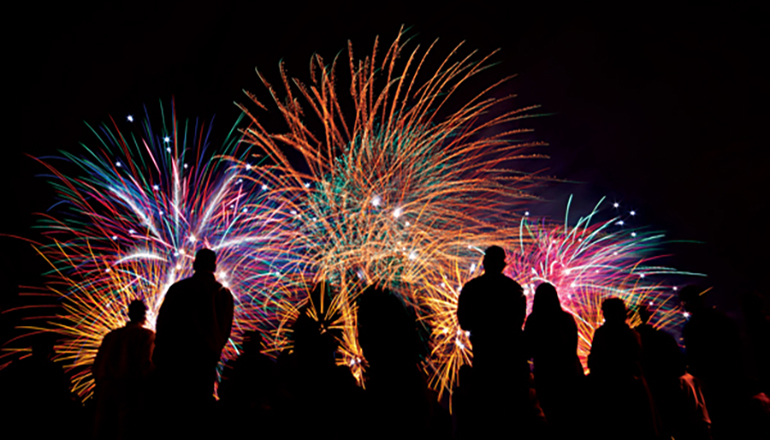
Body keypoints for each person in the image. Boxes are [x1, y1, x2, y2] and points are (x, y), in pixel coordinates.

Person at [152, 248, 234, 435]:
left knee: (175, 411)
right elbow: (225, 329)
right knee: (200, 409)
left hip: (175, 359)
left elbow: (163, 323)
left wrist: (161, 351)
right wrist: (214, 348)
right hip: (206, 359)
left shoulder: (178, 289)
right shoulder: (223, 294)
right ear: (214, 266)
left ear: (195, 264)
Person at [457, 245, 530, 438]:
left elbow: (464, 322)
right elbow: (518, 323)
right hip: (509, 361)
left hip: (483, 357)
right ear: (503, 265)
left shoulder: (471, 289)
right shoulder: (515, 289)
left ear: (484, 263)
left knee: (485, 412)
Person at [588, 297, 658, 440]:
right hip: (631, 389)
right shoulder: (631, 335)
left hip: (608, 391)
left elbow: (594, 362)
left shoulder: (601, 334)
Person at [524, 282, 584, 437]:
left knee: (552, 416)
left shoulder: (533, 321)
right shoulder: (566, 319)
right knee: (572, 417)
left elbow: (528, 350)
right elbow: (572, 348)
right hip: (569, 373)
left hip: (546, 375)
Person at [92, 299, 155, 440]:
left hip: (106, 392)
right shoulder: (147, 336)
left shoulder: (111, 336)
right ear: (144, 315)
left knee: (103, 432)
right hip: (131, 392)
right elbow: (146, 366)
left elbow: (96, 366)